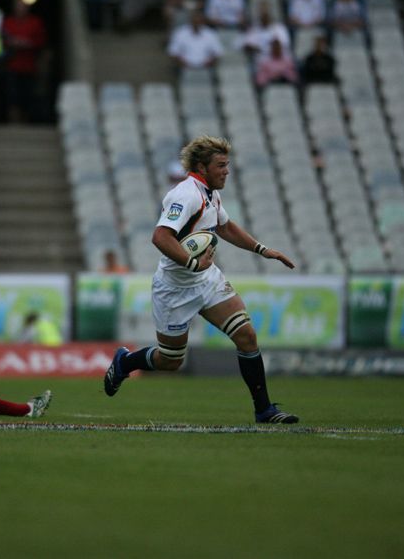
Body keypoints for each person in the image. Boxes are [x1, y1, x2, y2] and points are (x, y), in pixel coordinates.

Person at [103, 135, 300, 424]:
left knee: (246, 336)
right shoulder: (185, 195)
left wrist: (262, 249)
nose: (227, 171)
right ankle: (125, 362)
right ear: (202, 167)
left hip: (206, 279)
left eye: (227, 165)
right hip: (175, 288)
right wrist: (192, 262)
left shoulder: (210, 193)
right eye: (221, 165)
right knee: (171, 360)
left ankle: (264, 410)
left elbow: (225, 227)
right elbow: (160, 236)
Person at [2, 0, 46, 123]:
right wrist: (12, 43)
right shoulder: (8, 22)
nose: (19, 9)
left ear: (27, 7)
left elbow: (41, 41)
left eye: (22, 6)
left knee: (28, 95)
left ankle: (26, 122)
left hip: (29, 66)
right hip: (12, 65)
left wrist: (27, 43)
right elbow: (1, 40)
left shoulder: (35, 22)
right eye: (17, 6)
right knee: (12, 95)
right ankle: (13, 122)